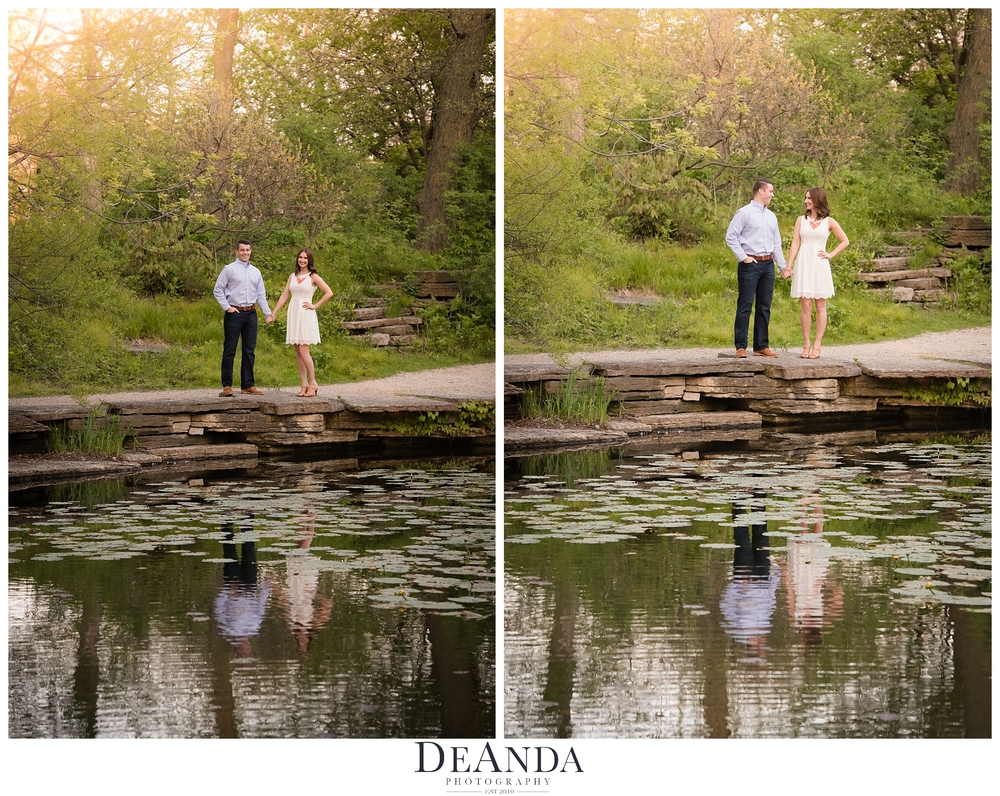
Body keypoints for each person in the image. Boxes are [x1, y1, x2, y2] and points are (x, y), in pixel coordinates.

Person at [780, 187, 849, 359]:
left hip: (820, 264)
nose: (806, 201)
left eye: (809, 198)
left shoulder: (829, 222)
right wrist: (789, 265)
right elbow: (795, 243)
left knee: (820, 306)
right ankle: (806, 344)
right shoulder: (800, 220)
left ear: (818, 199)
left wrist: (830, 254)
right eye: (805, 198)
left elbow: (845, 241)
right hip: (804, 263)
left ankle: (817, 345)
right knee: (805, 305)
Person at [725, 179, 787, 358]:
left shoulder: (771, 216)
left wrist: (782, 266)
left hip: (768, 265)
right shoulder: (744, 213)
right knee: (745, 304)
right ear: (761, 191)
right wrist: (743, 257)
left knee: (764, 306)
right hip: (750, 264)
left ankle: (761, 345)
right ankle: (741, 346)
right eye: (771, 191)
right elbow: (731, 237)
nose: (772, 195)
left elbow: (777, 244)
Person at [267, 248, 333, 397]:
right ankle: (303, 384)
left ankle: (313, 383)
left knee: (304, 350)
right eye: (300, 257)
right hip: (294, 313)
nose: (302, 260)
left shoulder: (313, 276)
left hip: (306, 314)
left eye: (305, 258)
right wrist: (274, 312)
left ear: (309, 260)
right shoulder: (292, 276)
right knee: (297, 351)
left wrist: (315, 305)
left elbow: (329, 292)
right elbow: (285, 295)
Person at [213, 240, 274, 397]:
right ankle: (227, 385)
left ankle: (247, 385)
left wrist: (267, 313)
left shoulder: (256, 272)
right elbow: (218, 290)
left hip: (251, 314)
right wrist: (227, 307)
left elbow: (261, 295)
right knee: (230, 350)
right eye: (242, 250)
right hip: (234, 313)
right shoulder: (229, 269)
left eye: (247, 250)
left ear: (250, 251)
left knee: (249, 350)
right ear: (237, 251)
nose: (245, 253)